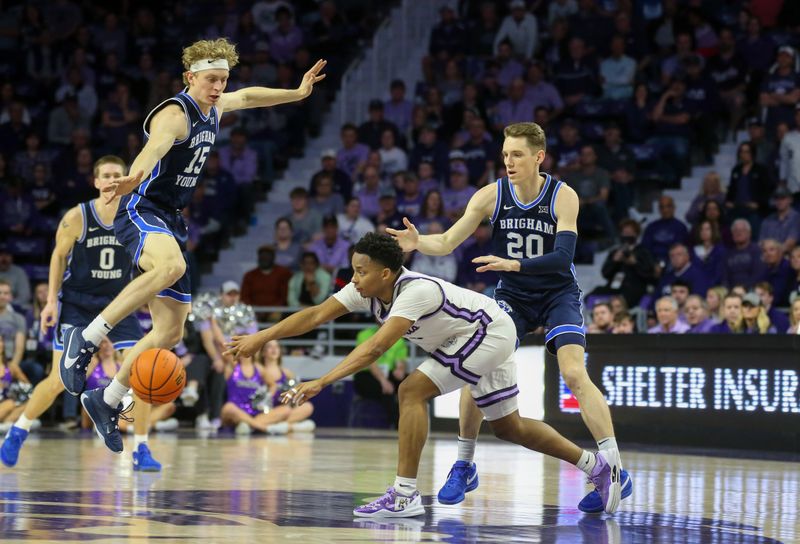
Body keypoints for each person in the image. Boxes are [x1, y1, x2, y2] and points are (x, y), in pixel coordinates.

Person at [225, 233, 621, 516]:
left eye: (361, 272)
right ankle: (597, 466)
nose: (354, 279)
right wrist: (262, 335)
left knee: (410, 391)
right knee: (509, 428)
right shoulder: (365, 289)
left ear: (386, 273)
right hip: (484, 331)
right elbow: (313, 315)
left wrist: (322, 381)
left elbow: (376, 348)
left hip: (488, 332)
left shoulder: (415, 291)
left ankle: (405, 495)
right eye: (353, 271)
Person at [57, 38, 326, 454]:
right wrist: (134, 175)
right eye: (211, 80)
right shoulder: (175, 113)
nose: (218, 87)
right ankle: (88, 338)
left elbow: (250, 96)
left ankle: (106, 399)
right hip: (141, 208)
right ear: (190, 78)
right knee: (172, 267)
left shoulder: (215, 106)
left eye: (222, 80)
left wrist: (297, 92)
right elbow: (156, 146)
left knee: (170, 331)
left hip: (172, 218)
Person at [385, 122, 630, 513]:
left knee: (573, 373)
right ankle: (464, 463)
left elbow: (564, 258)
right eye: (504, 155)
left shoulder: (563, 196)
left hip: (556, 293)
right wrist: (418, 244)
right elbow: (448, 241)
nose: (509, 162)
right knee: (473, 364)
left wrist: (513, 264)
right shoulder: (490, 195)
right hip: (513, 296)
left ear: (538, 157)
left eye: (517, 155)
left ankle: (614, 466)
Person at [0, 156, 162, 469]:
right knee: (58, 379)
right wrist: (50, 302)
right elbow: (58, 256)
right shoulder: (78, 216)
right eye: (107, 176)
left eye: (118, 175)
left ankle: (142, 448)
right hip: (78, 303)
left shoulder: (136, 217)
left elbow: (150, 262)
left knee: (140, 371)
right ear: (96, 181)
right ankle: (19, 430)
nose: (113, 180)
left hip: (118, 303)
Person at [261, 339, 315, 432]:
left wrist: (294, 401)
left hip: (285, 409)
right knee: (284, 410)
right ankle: (292, 426)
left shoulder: (286, 372)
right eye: (270, 346)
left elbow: (297, 394)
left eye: (276, 346)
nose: (274, 349)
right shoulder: (260, 370)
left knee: (307, 407)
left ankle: (281, 426)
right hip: (267, 411)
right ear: (263, 352)